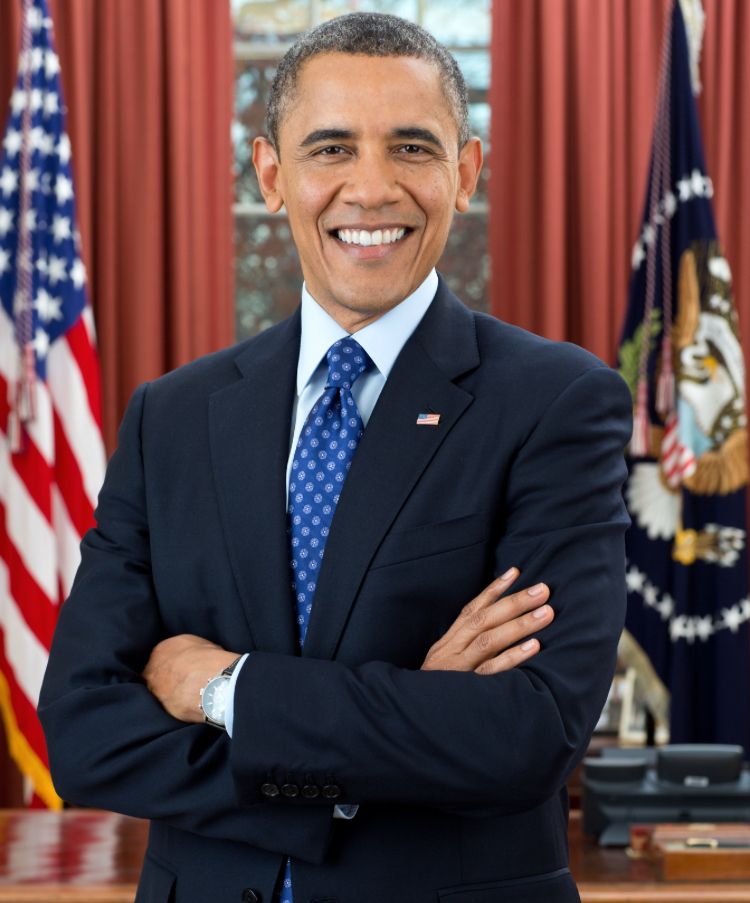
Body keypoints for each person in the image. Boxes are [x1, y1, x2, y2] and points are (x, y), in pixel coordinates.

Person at [39, 13, 631, 903]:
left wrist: (228, 689)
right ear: (271, 175)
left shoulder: (559, 403)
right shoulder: (173, 417)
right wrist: (382, 746)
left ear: (466, 171)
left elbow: (525, 733)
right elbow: (84, 733)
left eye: (412, 148)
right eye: (331, 149)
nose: (372, 187)